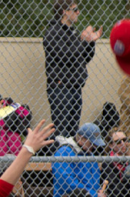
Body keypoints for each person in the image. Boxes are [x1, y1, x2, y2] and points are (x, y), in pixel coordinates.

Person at [43, 0, 102, 139]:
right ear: (64, 12)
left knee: (72, 131)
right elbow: (66, 55)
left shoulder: (72, 33)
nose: (78, 12)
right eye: (75, 9)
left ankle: (69, 157)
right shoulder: (52, 32)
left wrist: (89, 42)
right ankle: (60, 158)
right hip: (61, 87)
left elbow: (83, 58)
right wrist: (82, 41)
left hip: (75, 87)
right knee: (61, 131)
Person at [51, 122, 106, 197]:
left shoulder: (89, 153)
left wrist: (98, 191)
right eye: (91, 143)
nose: (94, 147)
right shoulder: (64, 152)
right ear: (81, 138)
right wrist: (94, 195)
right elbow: (67, 182)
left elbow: (95, 179)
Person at [101, 128, 129, 197]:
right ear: (111, 145)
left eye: (124, 140)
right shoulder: (109, 163)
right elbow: (116, 191)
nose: (123, 143)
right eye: (118, 142)